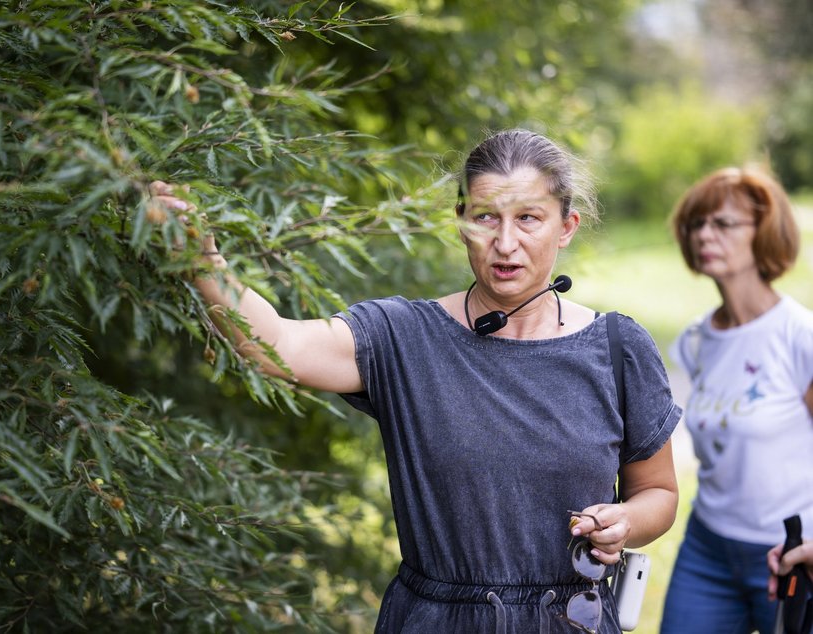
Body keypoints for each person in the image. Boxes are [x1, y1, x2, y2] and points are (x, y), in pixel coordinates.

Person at [154, 128, 681, 633]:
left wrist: (625, 524)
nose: (505, 242)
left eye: (529, 219)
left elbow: (657, 492)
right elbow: (276, 346)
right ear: (461, 221)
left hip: (571, 621)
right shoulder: (404, 337)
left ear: (566, 226)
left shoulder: (617, 348)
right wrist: (202, 256)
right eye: (485, 218)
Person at [659, 166, 813, 634]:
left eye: (723, 223)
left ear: (764, 233)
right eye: (697, 224)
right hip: (706, 549)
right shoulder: (695, 341)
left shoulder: (799, 336)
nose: (705, 234)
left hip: (790, 555)